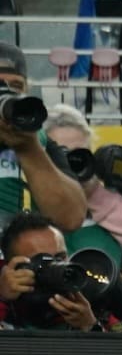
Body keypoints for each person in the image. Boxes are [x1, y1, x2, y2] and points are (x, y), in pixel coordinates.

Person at [41, 103, 122, 260]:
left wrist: (94, 195)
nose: (71, 163)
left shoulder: (103, 198)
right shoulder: (24, 196)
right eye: (61, 154)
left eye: (80, 154)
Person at [0, 41, 88, 231]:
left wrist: (29, 148)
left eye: (15, 86)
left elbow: (70, 219)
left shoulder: (39, 141)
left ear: (26, 91)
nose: (6, 93)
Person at [0, 211, 100, 332]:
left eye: (60, 258)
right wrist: (2, 299)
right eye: (42, 261)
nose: (54, 266)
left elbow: (119, 348)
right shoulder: (4, 297)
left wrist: (90, 326)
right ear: (12, 267)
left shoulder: (85, 294)